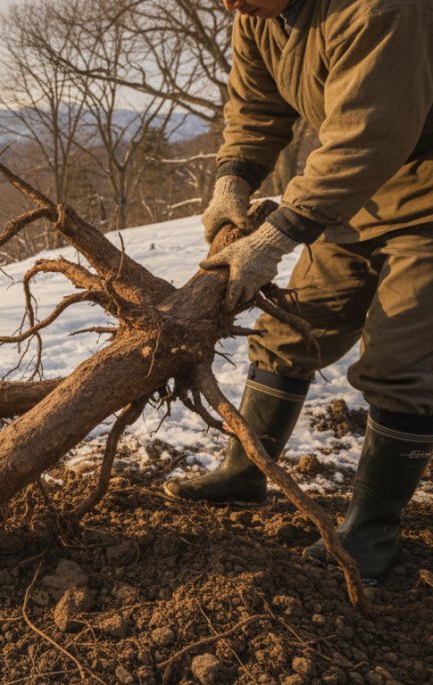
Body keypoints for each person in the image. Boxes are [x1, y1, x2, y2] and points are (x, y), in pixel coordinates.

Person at [166, 0, 433, 581]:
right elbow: (255, 105)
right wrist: (232, 177)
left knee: (400, 363)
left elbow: (371, 133)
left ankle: (371, 532)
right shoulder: (258, 14)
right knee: (289, 328)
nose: (230, 4)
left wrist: (275, 236)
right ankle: (243, 474)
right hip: (353, 196)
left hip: (423, 197)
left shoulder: (378, 8)